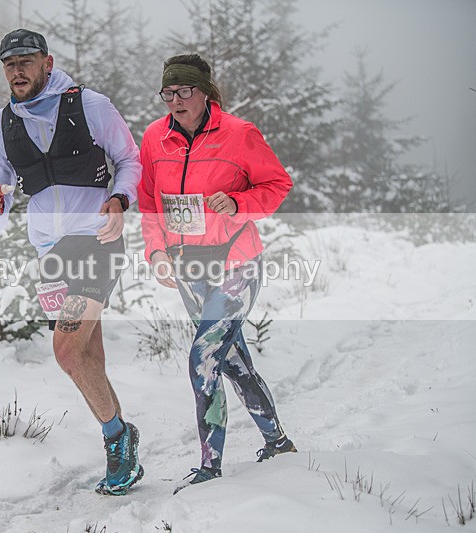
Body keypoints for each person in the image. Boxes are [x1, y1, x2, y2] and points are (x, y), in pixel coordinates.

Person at [0, 29, 143, 496]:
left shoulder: (90, 105)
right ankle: (121, 441)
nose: (16, 70)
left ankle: (118, 440)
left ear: (47, 63)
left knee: (66, 350)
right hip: (48, 253)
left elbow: (129, 159)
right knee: (87, 353)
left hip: (95, 240)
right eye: (8, 63)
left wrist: (119, 200)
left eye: (25, 60)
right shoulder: (1, 125)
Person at [137, 53, 297, 493]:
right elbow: (149, 202)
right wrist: (156, 253)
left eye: (183, 91)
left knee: (203, 358)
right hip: (189, 269)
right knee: (232, 362)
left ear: (204, 92)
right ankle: (278, 443)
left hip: (236, 264)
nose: (174, 100)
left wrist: (240, 202)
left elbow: (277, 184)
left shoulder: (239, 134)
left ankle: (210, 468)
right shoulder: (154, 138)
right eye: (167, 93)